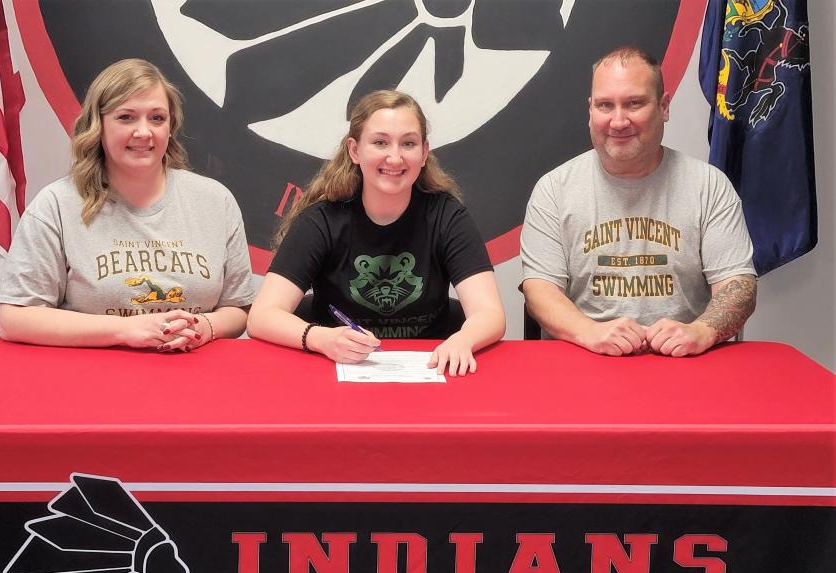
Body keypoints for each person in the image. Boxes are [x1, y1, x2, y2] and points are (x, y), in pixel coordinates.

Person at [0, 59, 254, 351]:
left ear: (171, 127)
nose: (143, 132)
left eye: (157, 118)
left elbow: (238, 308)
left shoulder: (216, 202)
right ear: (98, 125)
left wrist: (203, 328)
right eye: (126, 117)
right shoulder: (57, 204)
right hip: (91, 379)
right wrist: (125, 330)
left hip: (194, 379)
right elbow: (13, 318)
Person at [520, 46, 757, 357]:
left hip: (684, 363)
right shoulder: (554, 190)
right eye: (605, 105)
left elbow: (738, 285)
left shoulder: (709, 186)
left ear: (664, 106)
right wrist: (589, 332)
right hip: (585, 359)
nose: (619, 121)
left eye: (634, 104)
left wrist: (701, 331)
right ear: (590, 111)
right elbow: (540, 290)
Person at [247, 90, 505, 375]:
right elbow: (261, 316)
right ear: (354, 150)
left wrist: (463, 339)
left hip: (429, 368)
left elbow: (490, 314)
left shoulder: (447, 216)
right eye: (380, 142)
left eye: (408, 143)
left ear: (424, 153)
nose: (394, 158)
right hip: (336, 369)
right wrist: (321, 338)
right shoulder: (321, 220)